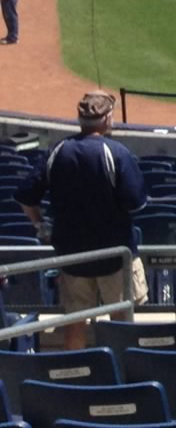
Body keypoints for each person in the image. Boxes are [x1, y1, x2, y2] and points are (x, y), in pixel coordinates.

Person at [15, 92, 147, 350]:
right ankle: (122, 377)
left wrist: (41, 225)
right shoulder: (116, 152)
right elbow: (136, 203)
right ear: (107, 118)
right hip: (113, 254)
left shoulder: (58, 151)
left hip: (72, 255)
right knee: (120, 320)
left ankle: (75, 377)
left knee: (75, 321)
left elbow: (25, 198)